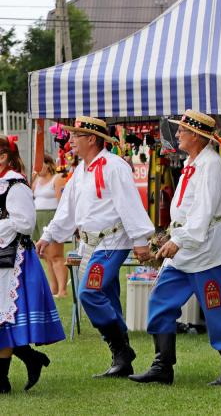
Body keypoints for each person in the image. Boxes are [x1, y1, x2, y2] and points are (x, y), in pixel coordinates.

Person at [129, 110, 221, 385]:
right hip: (185, 249)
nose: (177, 134)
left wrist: (178, 240)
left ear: (196, 135)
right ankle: (162, 366)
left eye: (182, 130)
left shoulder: (210, 164)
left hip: (207, 251)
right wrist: (176, 238)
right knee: (161, 300)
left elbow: (203, 211)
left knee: (217, 309)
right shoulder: (192, 162)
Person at [36, 116, 154, 378]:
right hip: (90, 245)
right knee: (107, 297)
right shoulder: (81, 170)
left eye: (76, 136)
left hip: (112, 242)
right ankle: (122, 360)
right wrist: (48, 235)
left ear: (91, 139)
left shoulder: (114, 166)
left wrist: (140, 240)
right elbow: (66, 209)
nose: (71, 140)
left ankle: (121, 350)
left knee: (89, 292)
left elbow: (129, 203)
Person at [0, 136, 65, 393]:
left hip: (13, 259)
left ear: (3, 157)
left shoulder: (15, 185)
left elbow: (26, 223)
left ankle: (3, 378)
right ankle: (29, 359)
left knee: (5, 317)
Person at [31, 155, 68, 297]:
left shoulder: (57, 178)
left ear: (48, 164)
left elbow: (62, 202)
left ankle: (62, 290)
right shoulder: (36, 180)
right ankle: (53, 289)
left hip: (51, 217)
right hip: (38, 219)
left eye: (41, 164)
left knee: (56, 256)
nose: (38, 168)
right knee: (46, 257)